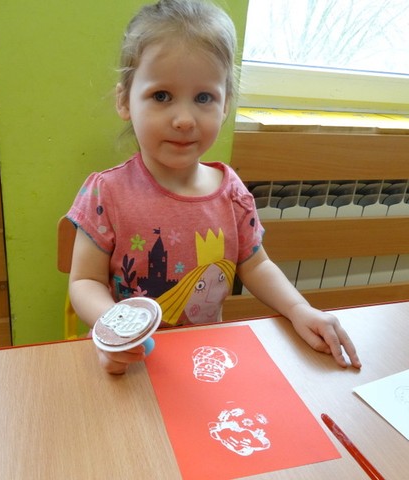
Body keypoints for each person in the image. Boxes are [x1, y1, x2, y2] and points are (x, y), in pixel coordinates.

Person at [67, 0, 361, 374]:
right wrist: (115, 333)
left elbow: (256, 265)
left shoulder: (232, 193)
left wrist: (299, 309)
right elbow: (85, 281)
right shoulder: (105, 192)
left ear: (224, 106)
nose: (184, 119)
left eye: (203, 98)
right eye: (161, 96)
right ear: (124, 100)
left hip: (204, 362)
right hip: (130, 363)